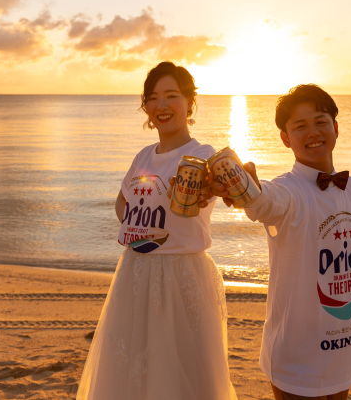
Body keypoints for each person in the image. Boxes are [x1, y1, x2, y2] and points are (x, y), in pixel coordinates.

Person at [208, 84, 351, 400]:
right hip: (297, 356)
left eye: (321, 121)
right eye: (300, 126)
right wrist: (248, 190)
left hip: (345, 347)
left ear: (335, 128)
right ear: (285, 138)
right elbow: (265, 201)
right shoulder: (289, 191)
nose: (313, 132)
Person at [77, 61, 238, 400]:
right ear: (146, 107)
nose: (161, 106)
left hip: (183, 274)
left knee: (185, 373)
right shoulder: (143, 155)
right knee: (132, 371)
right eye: (153, 98)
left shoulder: (204, 156)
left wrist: (226, 185)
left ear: (190, 103)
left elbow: (235, 190)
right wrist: (137, 224)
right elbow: (121, 202)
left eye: (171, 96)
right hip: (136, 270)